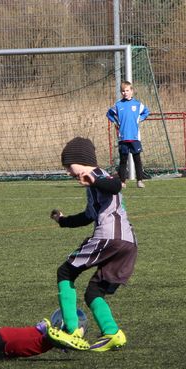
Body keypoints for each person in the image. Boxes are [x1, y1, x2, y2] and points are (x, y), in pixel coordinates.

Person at [47, 137, 137, 353]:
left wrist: (94, 180)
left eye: (69, 166)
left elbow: (115, 185)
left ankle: (72, 331)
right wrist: (63, 221)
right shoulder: (94, 184)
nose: (68, 172)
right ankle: (112, 333)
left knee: (65, 272)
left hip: (109, 238)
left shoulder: (98, 175)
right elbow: (88, 216)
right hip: (127, 243)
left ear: (81, 160)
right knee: (94, 292)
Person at [106, 80, 150, 188]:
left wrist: (140, 118)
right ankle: (122, 182)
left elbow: (146, 112)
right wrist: (116, 121)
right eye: (123, 91)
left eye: (127, 90)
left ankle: (139, 181)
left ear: (131, 91)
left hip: (134, 137)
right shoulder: (118, 105)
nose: (125, 93)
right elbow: (109, 114)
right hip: (123, 137)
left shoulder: (137, 104)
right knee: (123, 161)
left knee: (137, 160)